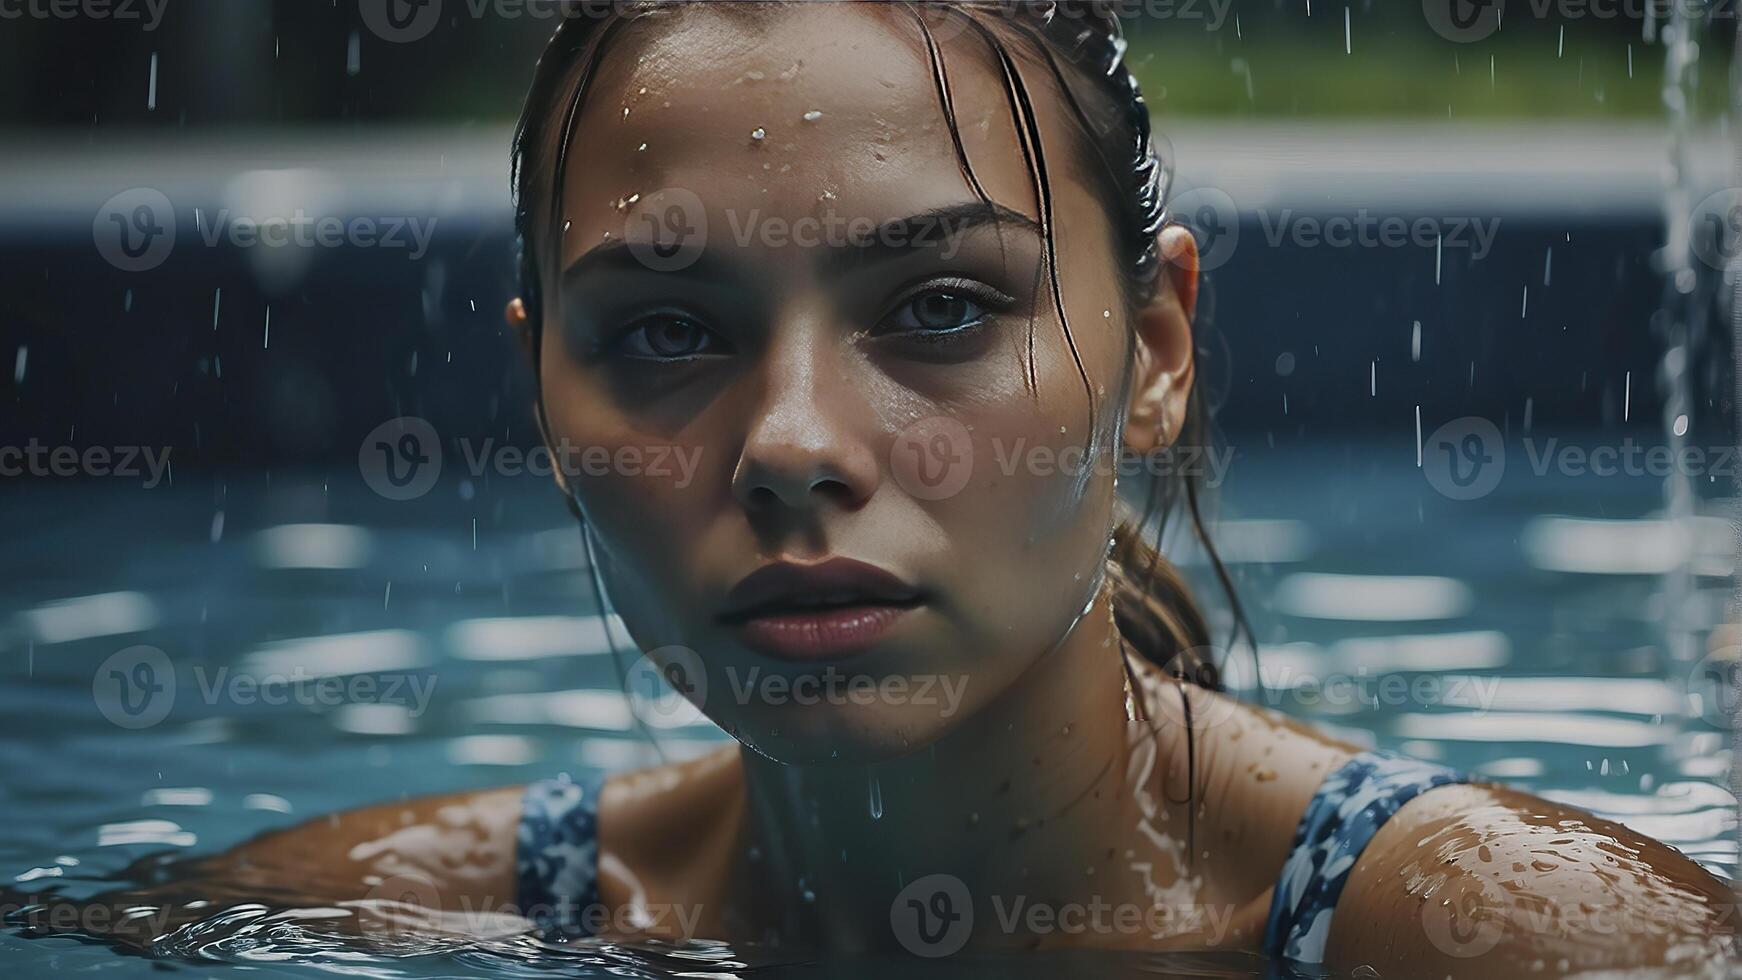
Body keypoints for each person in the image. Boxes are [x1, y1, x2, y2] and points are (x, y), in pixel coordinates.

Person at [25, 2, 1735, 973]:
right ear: (540, 384)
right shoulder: (402, 917)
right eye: (668, 331)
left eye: (937, 308)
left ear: (1153, 350)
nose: (790, 445)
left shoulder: (1525, 942)